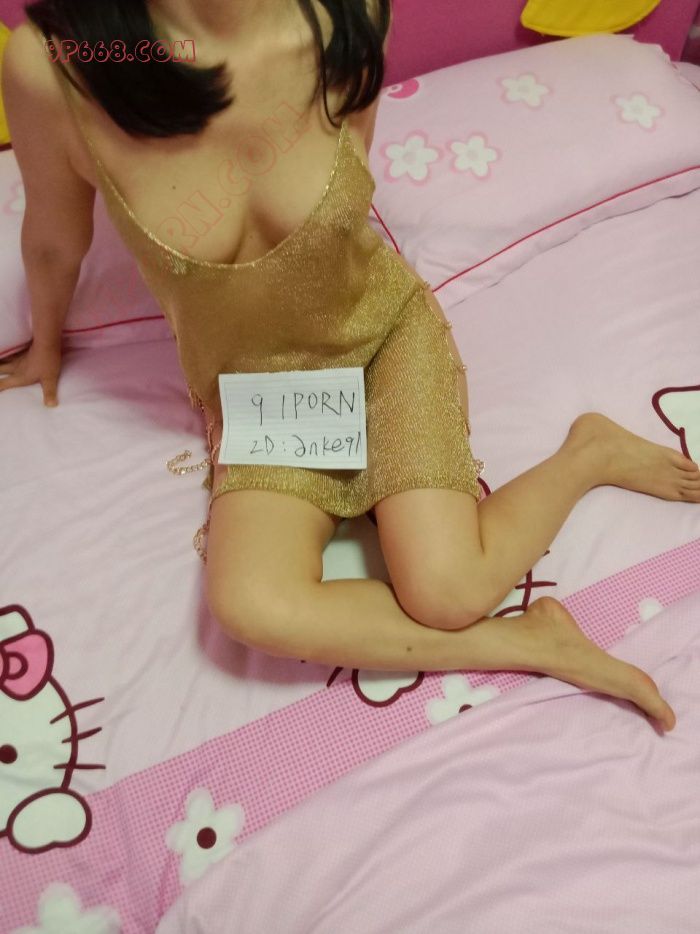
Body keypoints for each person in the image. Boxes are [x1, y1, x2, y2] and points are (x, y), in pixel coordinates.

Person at [2, 0, 697, 733]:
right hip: (267, 391)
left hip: (378, 337)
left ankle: (588, 452)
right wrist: (47, 343)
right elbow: (52, 237)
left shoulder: (348, 14)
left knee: (449, 589)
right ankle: (529, 641)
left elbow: (348, 199)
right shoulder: (59, 65)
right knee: (252, 603)